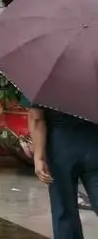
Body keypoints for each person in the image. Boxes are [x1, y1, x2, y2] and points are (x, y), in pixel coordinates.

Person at [28, 98, 98, 239]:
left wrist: (39, 157)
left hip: (60, 147)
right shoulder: (93, 77)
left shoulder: (46, 81)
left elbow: (36, 118)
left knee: (63, 209)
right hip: (94, 144)